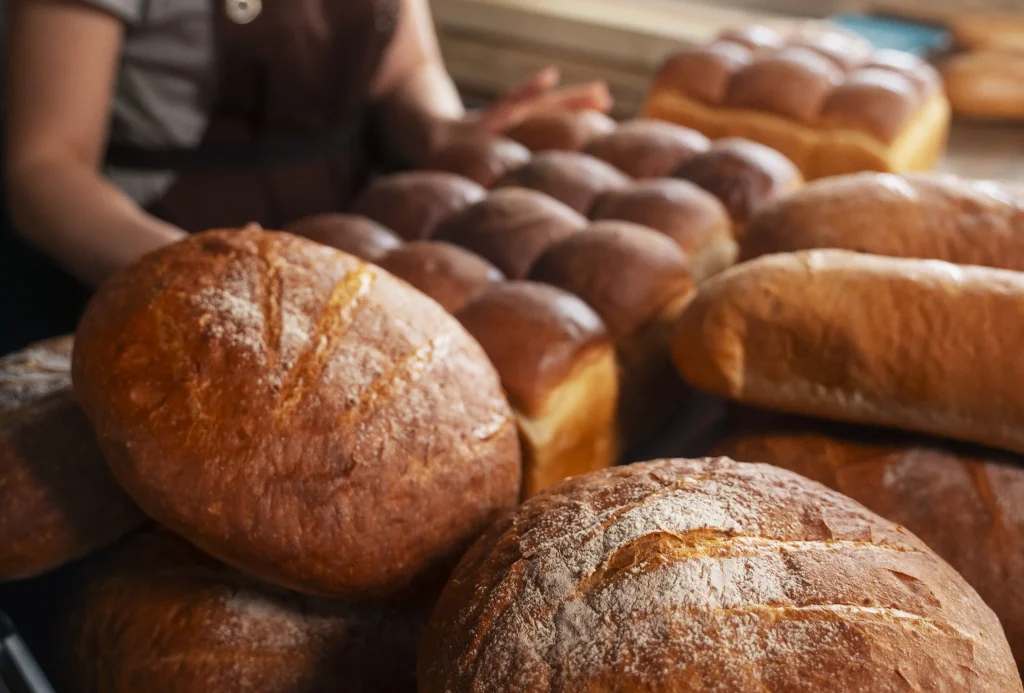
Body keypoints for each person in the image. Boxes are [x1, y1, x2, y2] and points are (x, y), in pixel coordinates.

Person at [1, 0, 611, 352]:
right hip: (155, 260)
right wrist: (203, 271)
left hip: (352, 245)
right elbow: (43, 168)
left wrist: (446, 131)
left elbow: (406, 72)